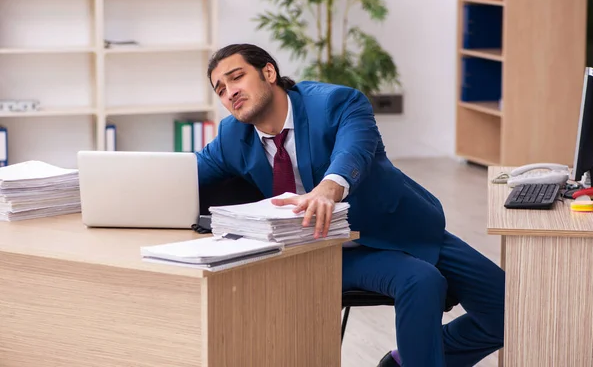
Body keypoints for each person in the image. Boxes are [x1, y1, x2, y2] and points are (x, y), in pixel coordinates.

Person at [196, 43, 505, 366]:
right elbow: (186, 175)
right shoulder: (232, 136)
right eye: (220, 89)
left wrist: (329, 188)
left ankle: (401, 362)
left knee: (507, 310)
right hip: (323, 251)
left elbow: (353, 149)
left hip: (398, 228)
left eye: (236, 77)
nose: (230, 91)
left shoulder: (334, 103)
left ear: (269, 72)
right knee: (421, 280)